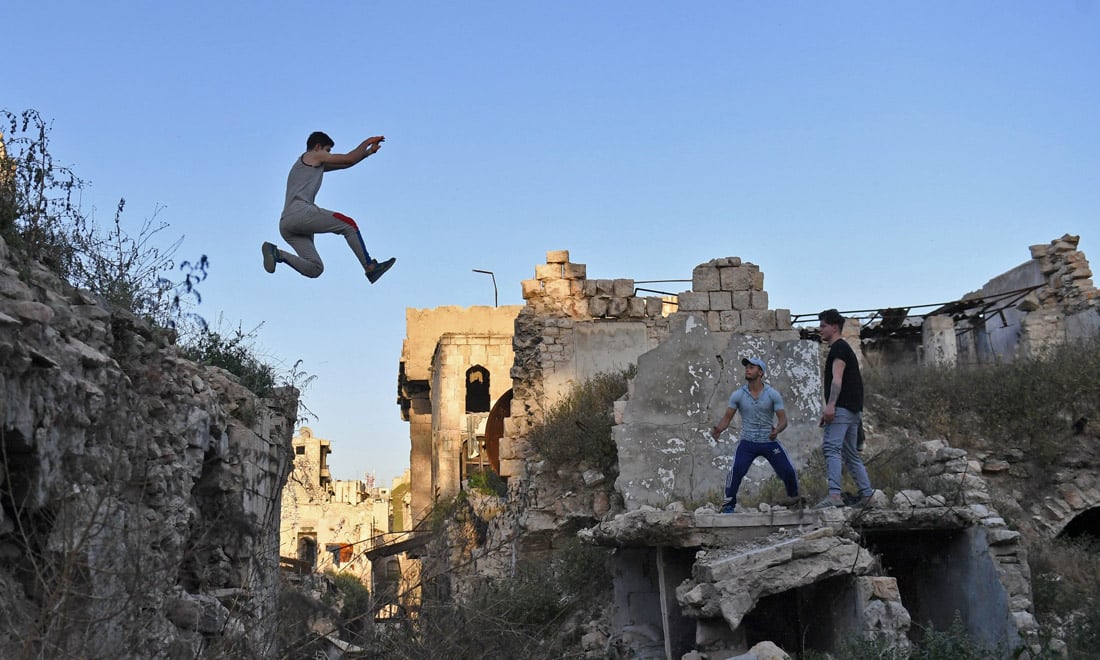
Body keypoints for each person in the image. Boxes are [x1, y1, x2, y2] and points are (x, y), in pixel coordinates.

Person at [262, 131, 395, 283]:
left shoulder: (310, 164)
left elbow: (345, 165)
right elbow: (349, 159)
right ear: (318, 147)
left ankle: (277, 253)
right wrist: (367, 141)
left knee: (315, 268)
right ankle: (370, 266)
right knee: (348, 224)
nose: (329, 155)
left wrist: (369, 152)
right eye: (328, 151)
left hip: (287, 224)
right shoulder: (313, 155)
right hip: (300, 212)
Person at [711, 357, 801, 513]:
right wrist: (719, 429)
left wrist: (777, 430)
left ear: (760, 372)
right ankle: (728, 506)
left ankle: (795, 501)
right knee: (736, 471)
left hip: (769, 441)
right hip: (748, 442)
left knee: (788, 470)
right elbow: (727, 418)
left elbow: (783, 420)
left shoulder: (772, 394)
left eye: (752, 367)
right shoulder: (738, 395)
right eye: (747, 367)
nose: (747, 369)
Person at [815, 309, 874, 508]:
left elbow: (837, 380)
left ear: (834, 327)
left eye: (823, 326)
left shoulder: (838, 349)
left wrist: (830, 406)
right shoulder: (845, 348)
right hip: (853, 410)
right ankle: (867, 495)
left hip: (841, 408)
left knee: (831, 449)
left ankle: (834, 497)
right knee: (850, 454)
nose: (820, 329)